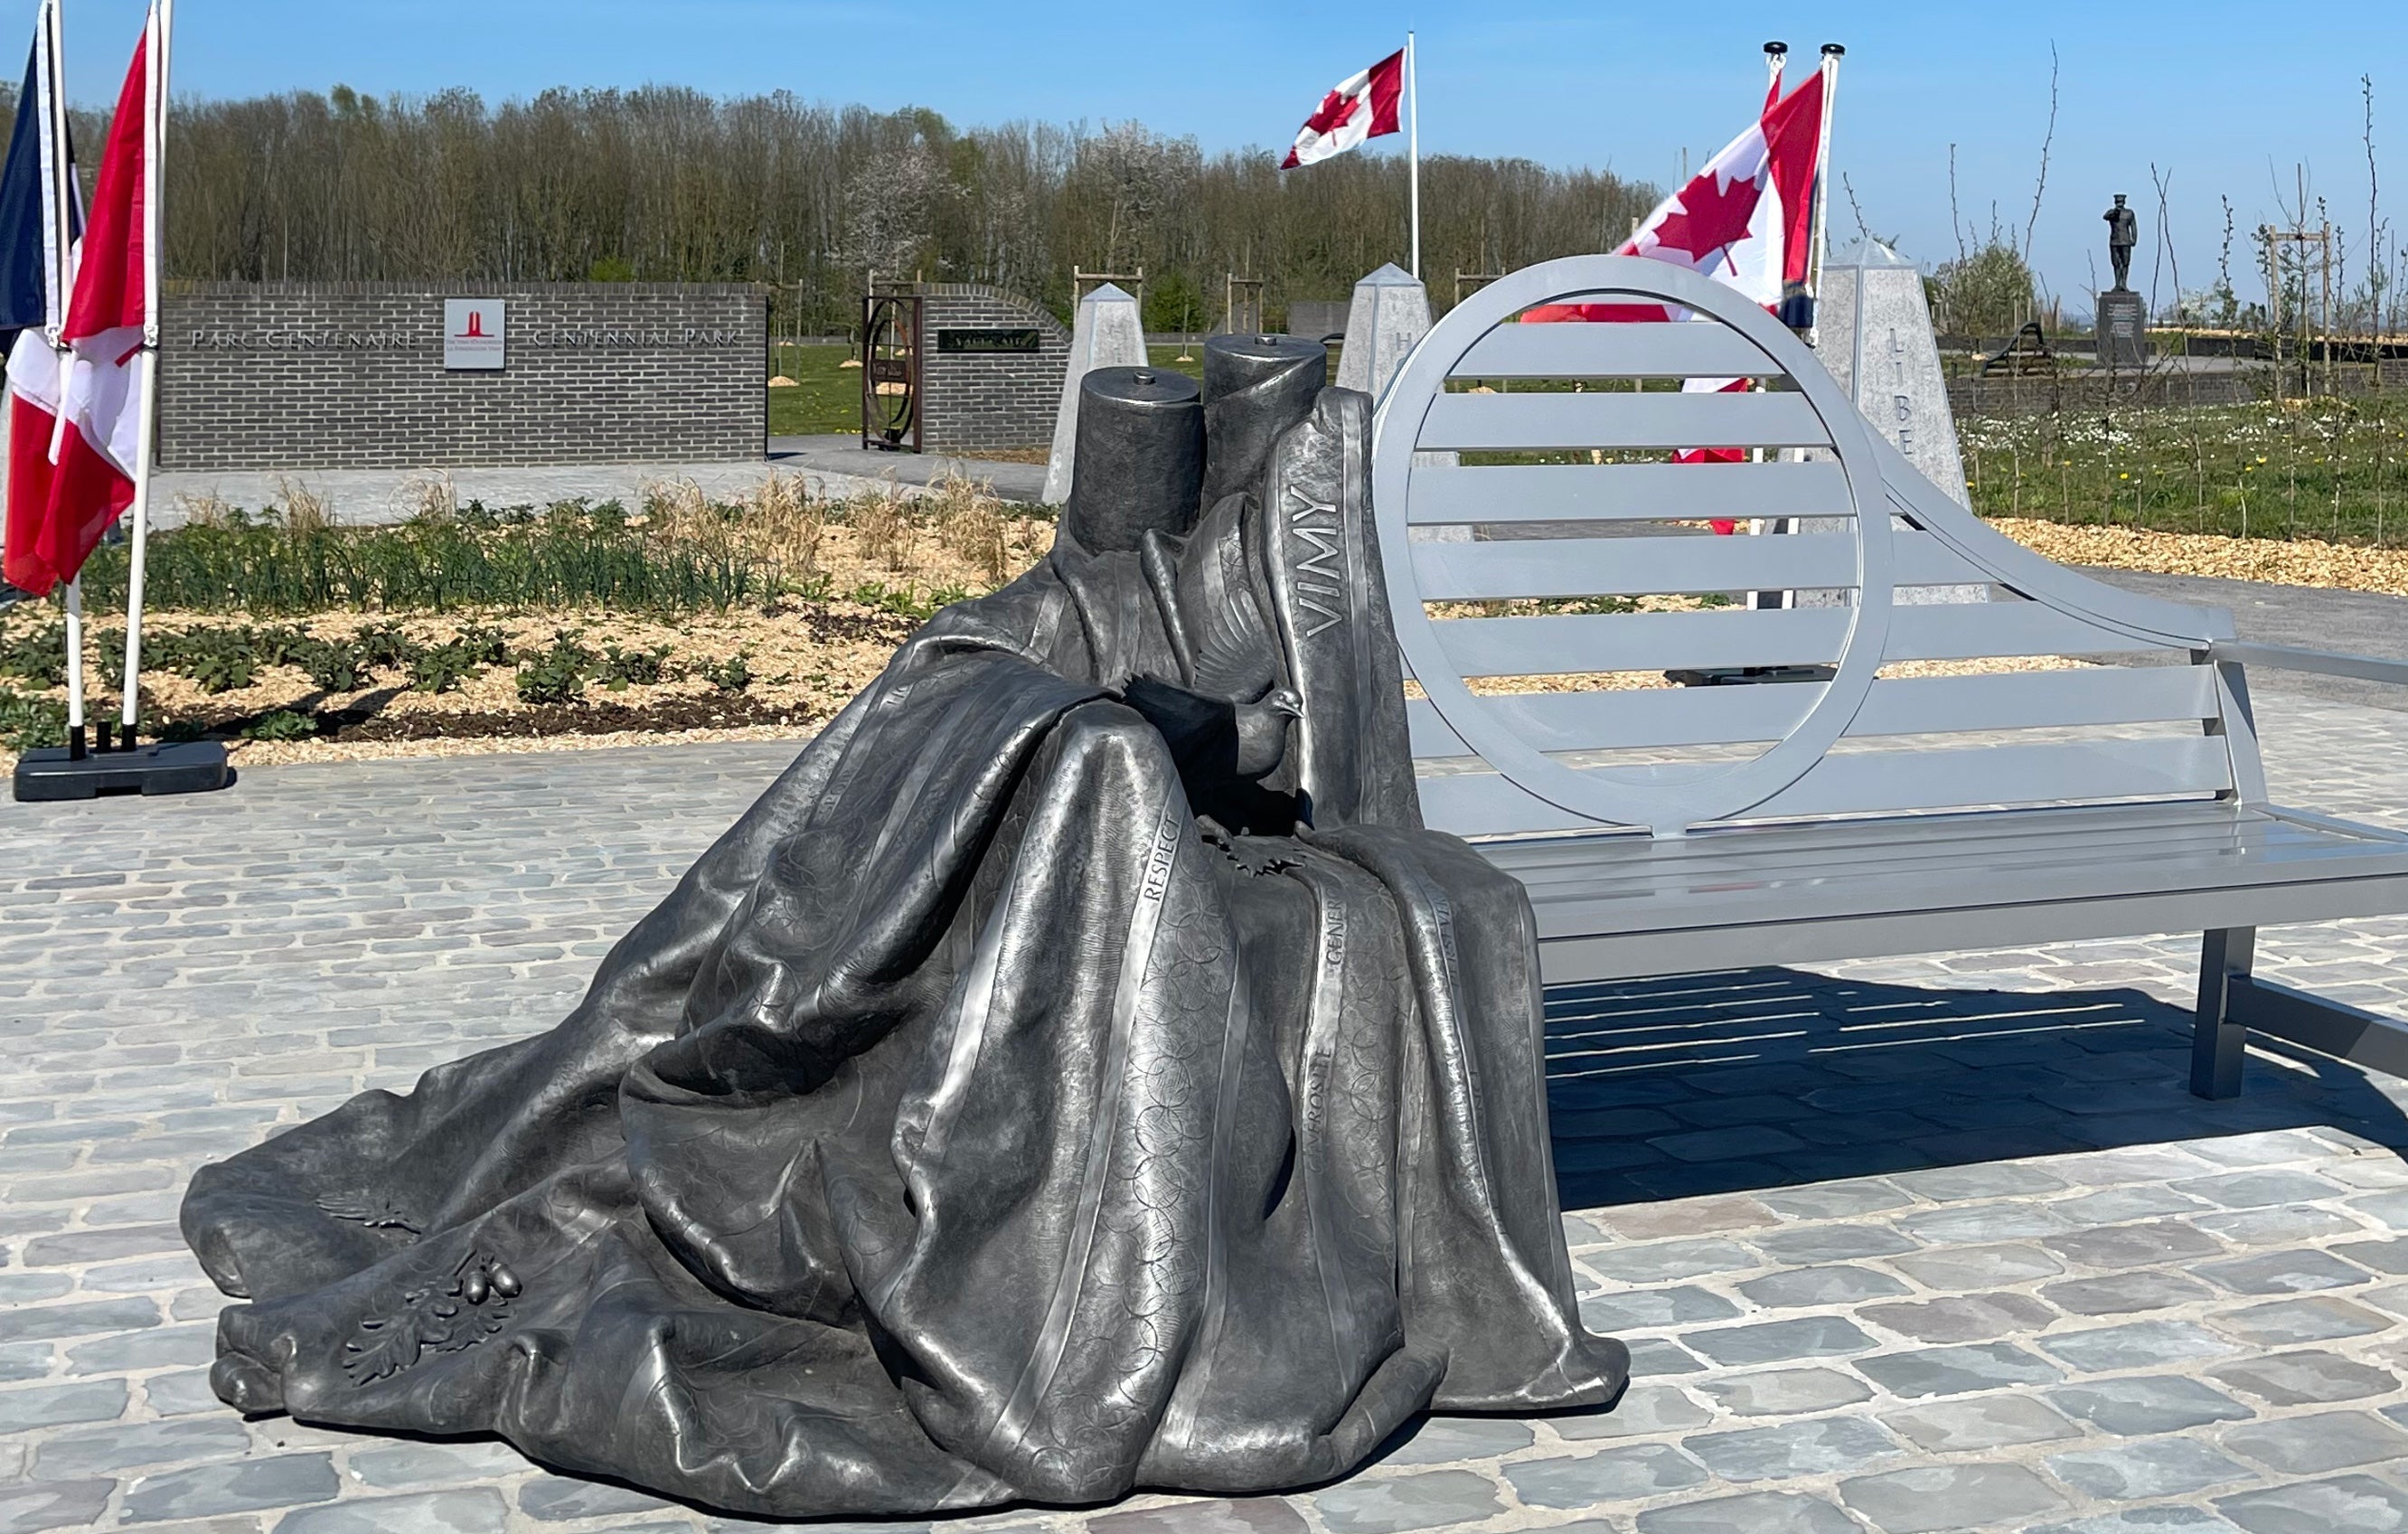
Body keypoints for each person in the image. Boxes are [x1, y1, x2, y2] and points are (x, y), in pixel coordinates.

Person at [177, 337, 1628, 1518]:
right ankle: (1141, 605)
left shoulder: (1302, 529)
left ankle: (1168, 598)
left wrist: (1249, 738)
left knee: (1322, 863)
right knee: (1084, 742)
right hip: (1107, 688)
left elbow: (1333, 774)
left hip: (1186, 673)